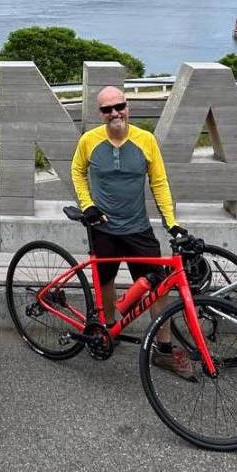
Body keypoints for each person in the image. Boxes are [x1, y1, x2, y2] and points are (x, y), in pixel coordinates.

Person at [70, 85, 193, 379]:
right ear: (100, 113)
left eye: (119, 106)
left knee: (158, 286)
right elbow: (77, 171)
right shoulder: (89, 141)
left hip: (138, 227)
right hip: (103, 228)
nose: (115, 113)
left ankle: (163, 349)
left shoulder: (145, 140)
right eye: (107, 109)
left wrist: (171, 222)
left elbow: (159, 183)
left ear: (128, 107)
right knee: (107, 280)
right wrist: (87, 205)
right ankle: (108, 331)